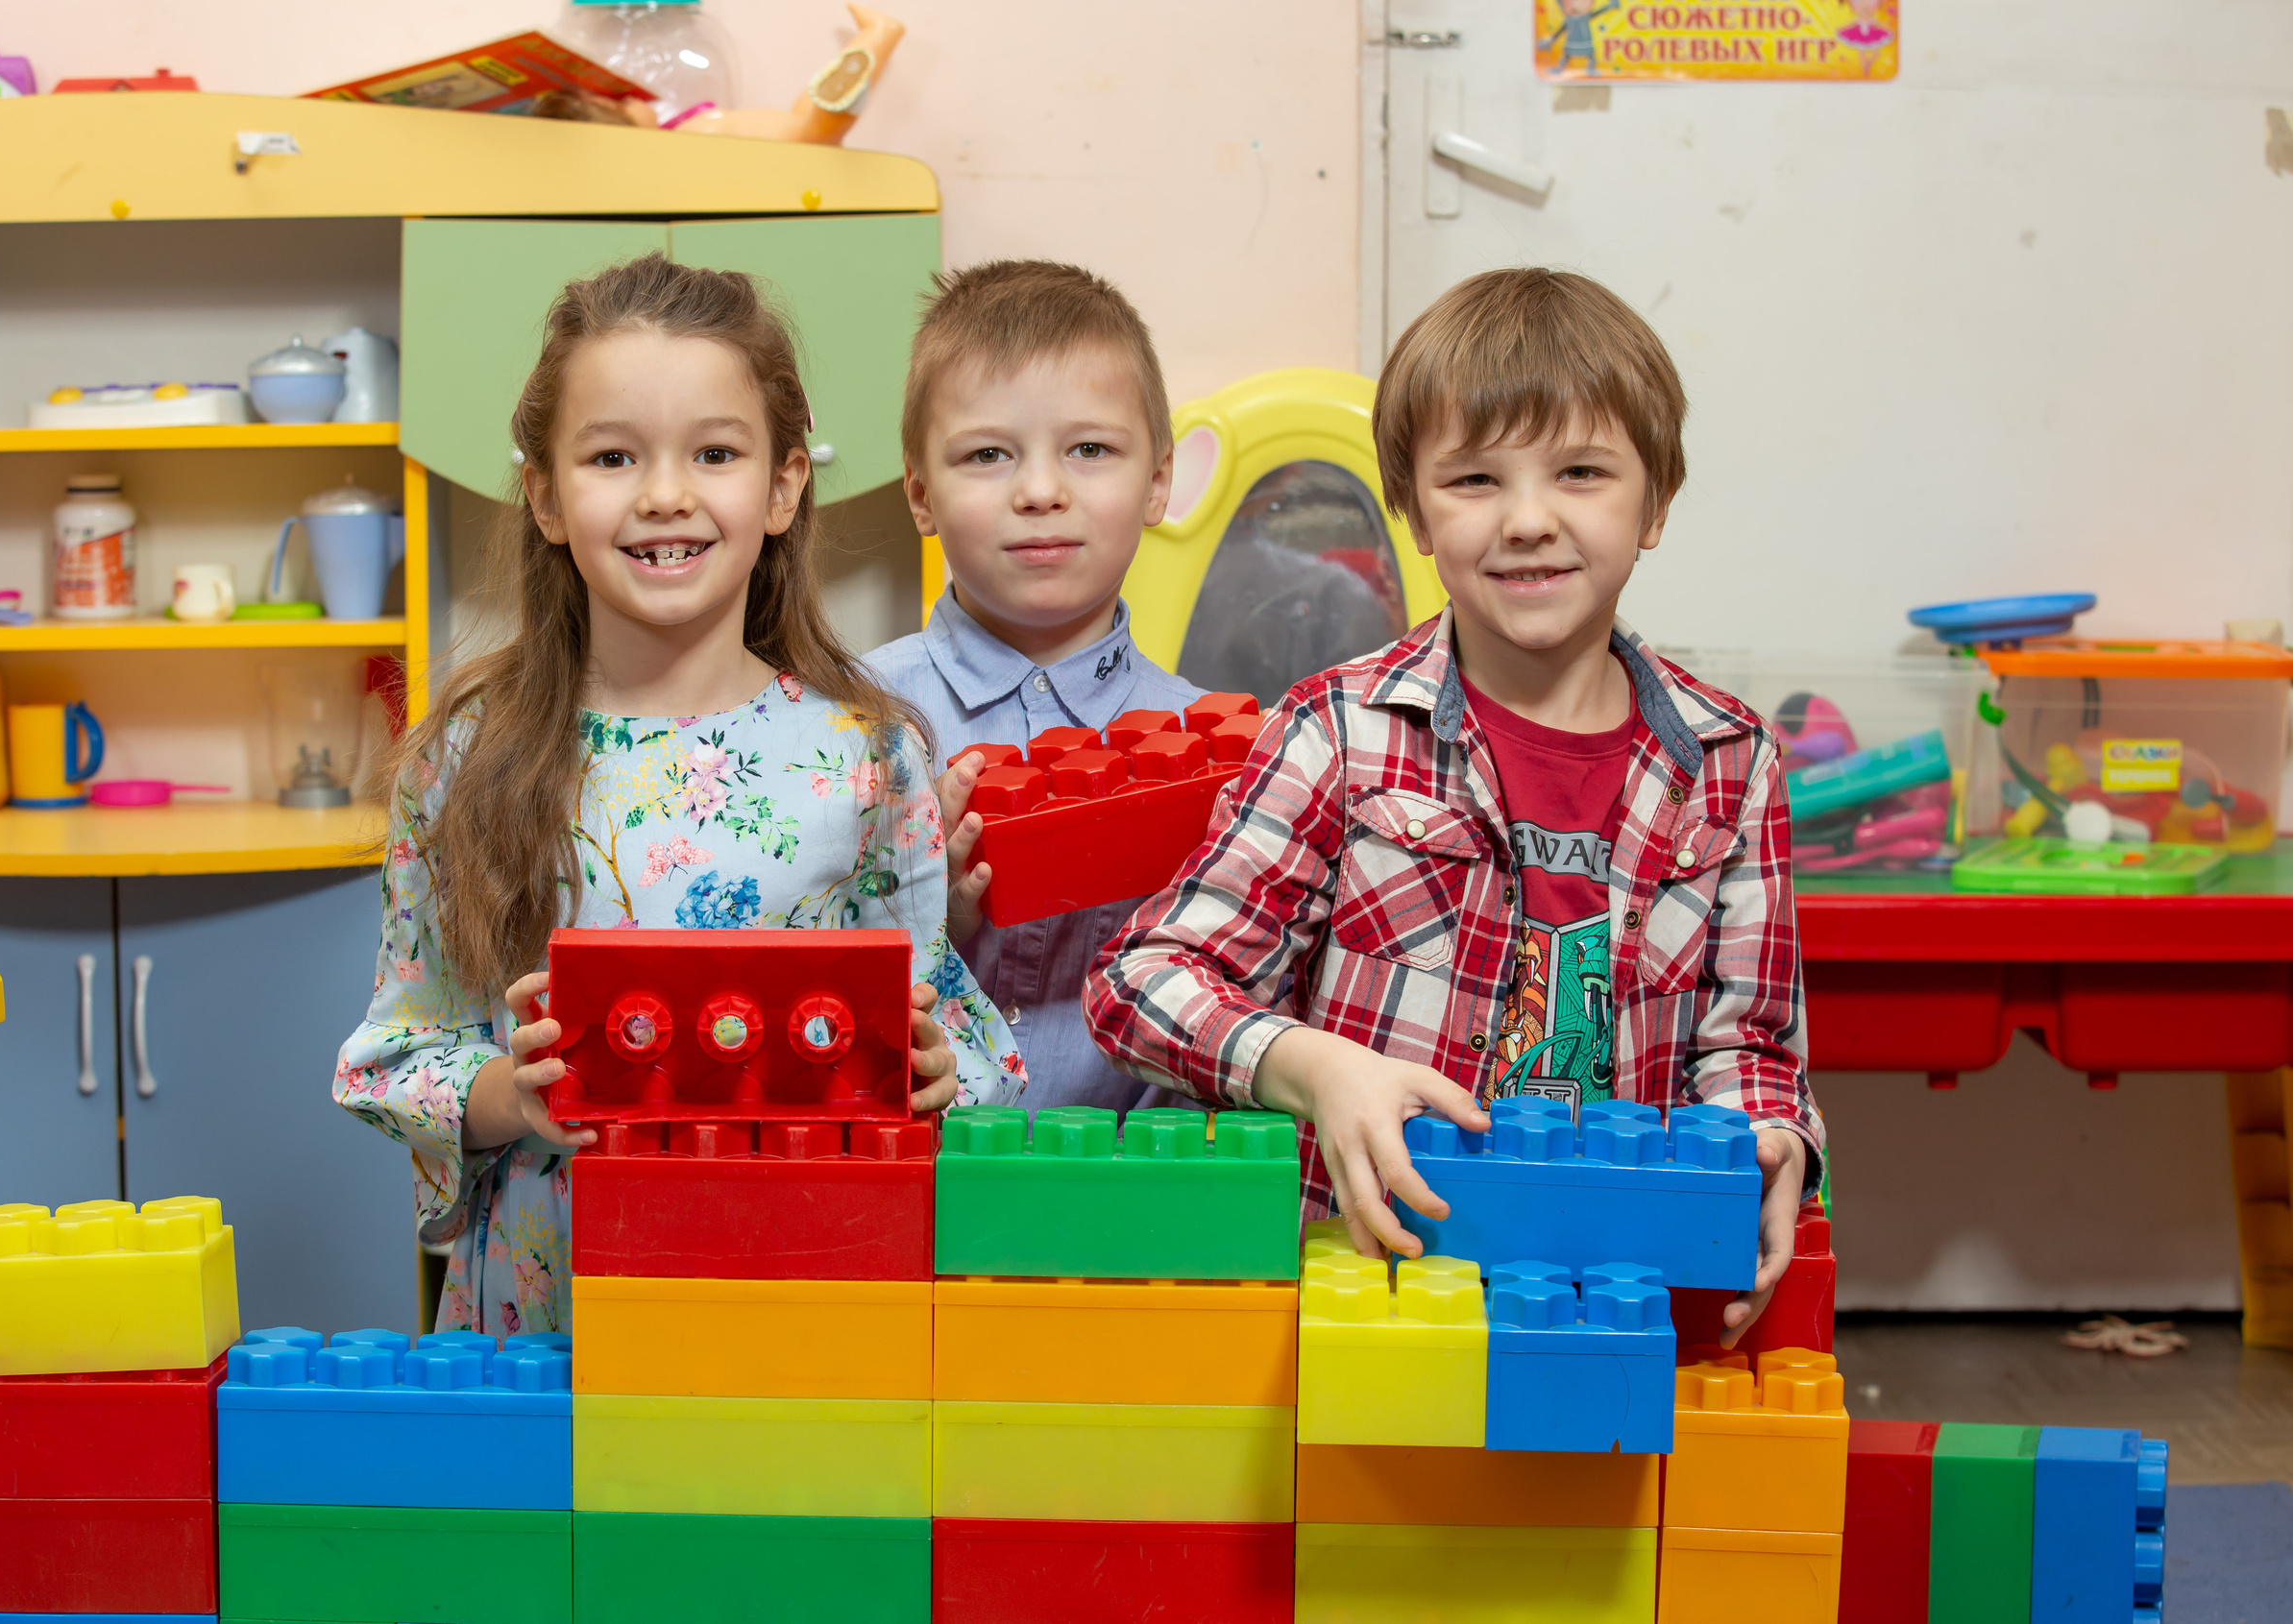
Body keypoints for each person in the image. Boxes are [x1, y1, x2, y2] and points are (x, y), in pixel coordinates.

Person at [1086, 269, 1822, 1345]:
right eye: (1475, 479)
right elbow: (1139, 985)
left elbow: (1747, 1043)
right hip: (1359, 1296)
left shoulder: (1730, 759)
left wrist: (1769, 1138)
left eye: (1580, 472)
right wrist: (1314, 1068)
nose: (1528, 521)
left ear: (1655, 501)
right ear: (1415, 514)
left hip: (1605, 1306)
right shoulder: (1339, 731)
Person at [335, 254, 1024, 1338]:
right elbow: (398, 1053)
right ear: (546, 496)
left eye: (714, 451)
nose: (665, 493)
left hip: (798, 1289)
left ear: (785, 485)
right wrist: (511, 1096)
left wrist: (936, 1070)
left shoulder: (865, 751)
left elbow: (940, 1019)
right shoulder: (464, 757)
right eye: (612, 456)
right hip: (547, 1308)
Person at [863, 258, 1200, 1117]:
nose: (1041, 492)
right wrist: (911, 906)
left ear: (1158, 480)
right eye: (987, 454)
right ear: (919, 492)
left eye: (1090, 449)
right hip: (902, 1214)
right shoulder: (847, 722)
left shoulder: (1214, 748)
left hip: (1126, 1216)